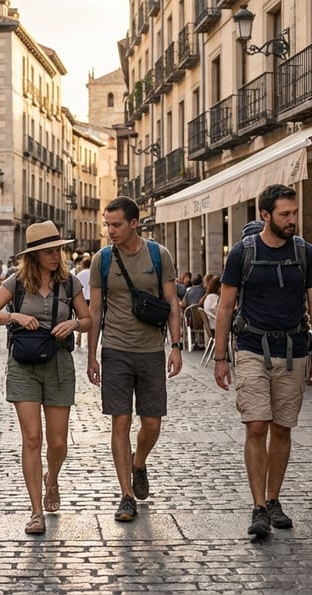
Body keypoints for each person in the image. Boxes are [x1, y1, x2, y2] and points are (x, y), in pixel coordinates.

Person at [212, 184, 312, 541]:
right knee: (257, 426)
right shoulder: (242, 253)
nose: (293, 220)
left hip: (293, 350)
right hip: (251, 346)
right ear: (265, 215)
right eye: (285, 214)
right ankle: (259, 506)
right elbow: (226, 306)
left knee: (282, 428)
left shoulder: (305, 253)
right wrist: (220, 356)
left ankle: (274, 498)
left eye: (294, 213)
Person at [0, 221, 91, 535]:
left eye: (58, 250)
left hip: (58, 364)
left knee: (57, 442)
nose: (56, 256)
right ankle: (36, 511)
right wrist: (13, 316)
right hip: (23, 366)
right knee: (32, 439)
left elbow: (87, 319)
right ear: (35, 255)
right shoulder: (16, 283)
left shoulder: (70, 284)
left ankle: (51, 480)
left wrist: (74, 325)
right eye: (49, 251)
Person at [86, 196, 183, 523]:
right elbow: (96, 310)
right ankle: (126, 495)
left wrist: (176, 346)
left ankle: (139, 461)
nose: (110, 230)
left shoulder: (158, 255)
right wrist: (91, 355)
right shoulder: (101, 260)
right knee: (121, 420)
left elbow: (172, 303)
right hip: (115, 349)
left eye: (116, 225)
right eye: (107, 224)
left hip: (152, 350)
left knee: (152, 422)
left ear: (133, 223)